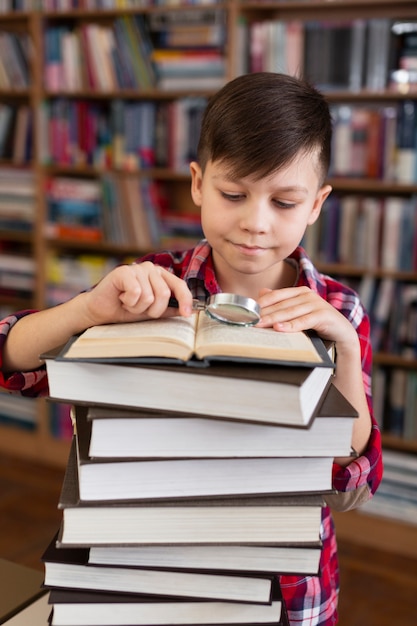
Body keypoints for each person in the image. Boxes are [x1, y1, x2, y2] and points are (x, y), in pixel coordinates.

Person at [0, 72, 382, 625]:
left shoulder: (339, 311)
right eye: (233, 194)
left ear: (317, 204)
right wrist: (86, 311)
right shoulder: (151, 282)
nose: (255, 223)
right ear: (198, 184)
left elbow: (353, 479)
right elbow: (14, 362)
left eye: (284, 202)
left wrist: (344, 349)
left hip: (280, 581)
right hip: (141, 566)